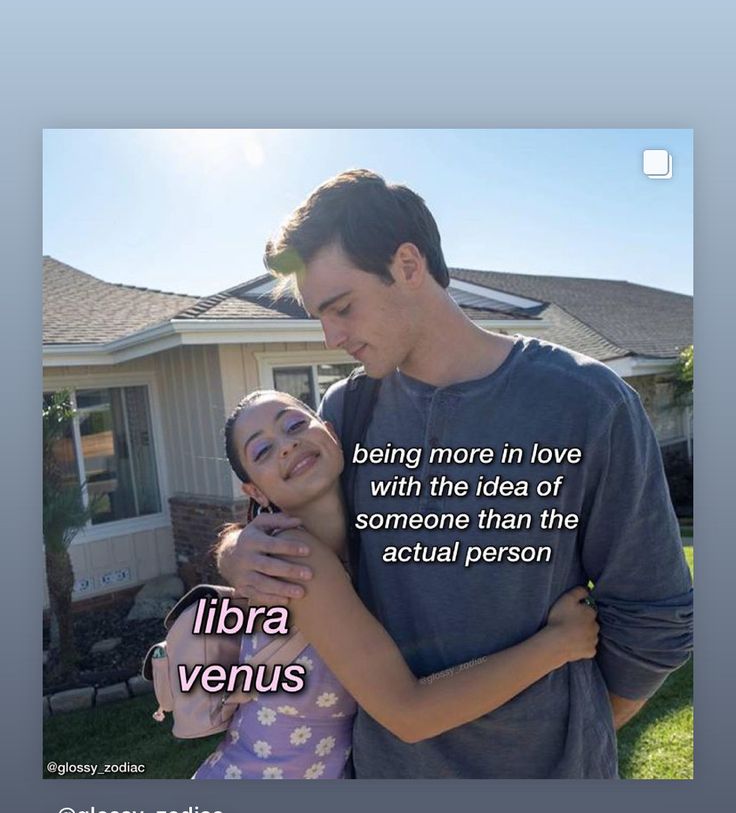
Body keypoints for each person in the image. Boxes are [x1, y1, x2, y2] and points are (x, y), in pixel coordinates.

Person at [216, 170, 693, 779]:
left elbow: (656, 620)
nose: (332, 336)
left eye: (342, 308)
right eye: (320, 316)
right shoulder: (346, 413)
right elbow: (290, 532)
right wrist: (235, 549)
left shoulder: (585, 403)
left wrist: (571, 733)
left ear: (409, 265)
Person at [195, 389, 599, 779]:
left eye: (295, 424)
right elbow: (410, 714)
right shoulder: (293, 558)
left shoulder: (363, 541)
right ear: (255, 491)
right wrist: (557, 644)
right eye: (262, 451)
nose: (286, 445)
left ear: (331, 433)